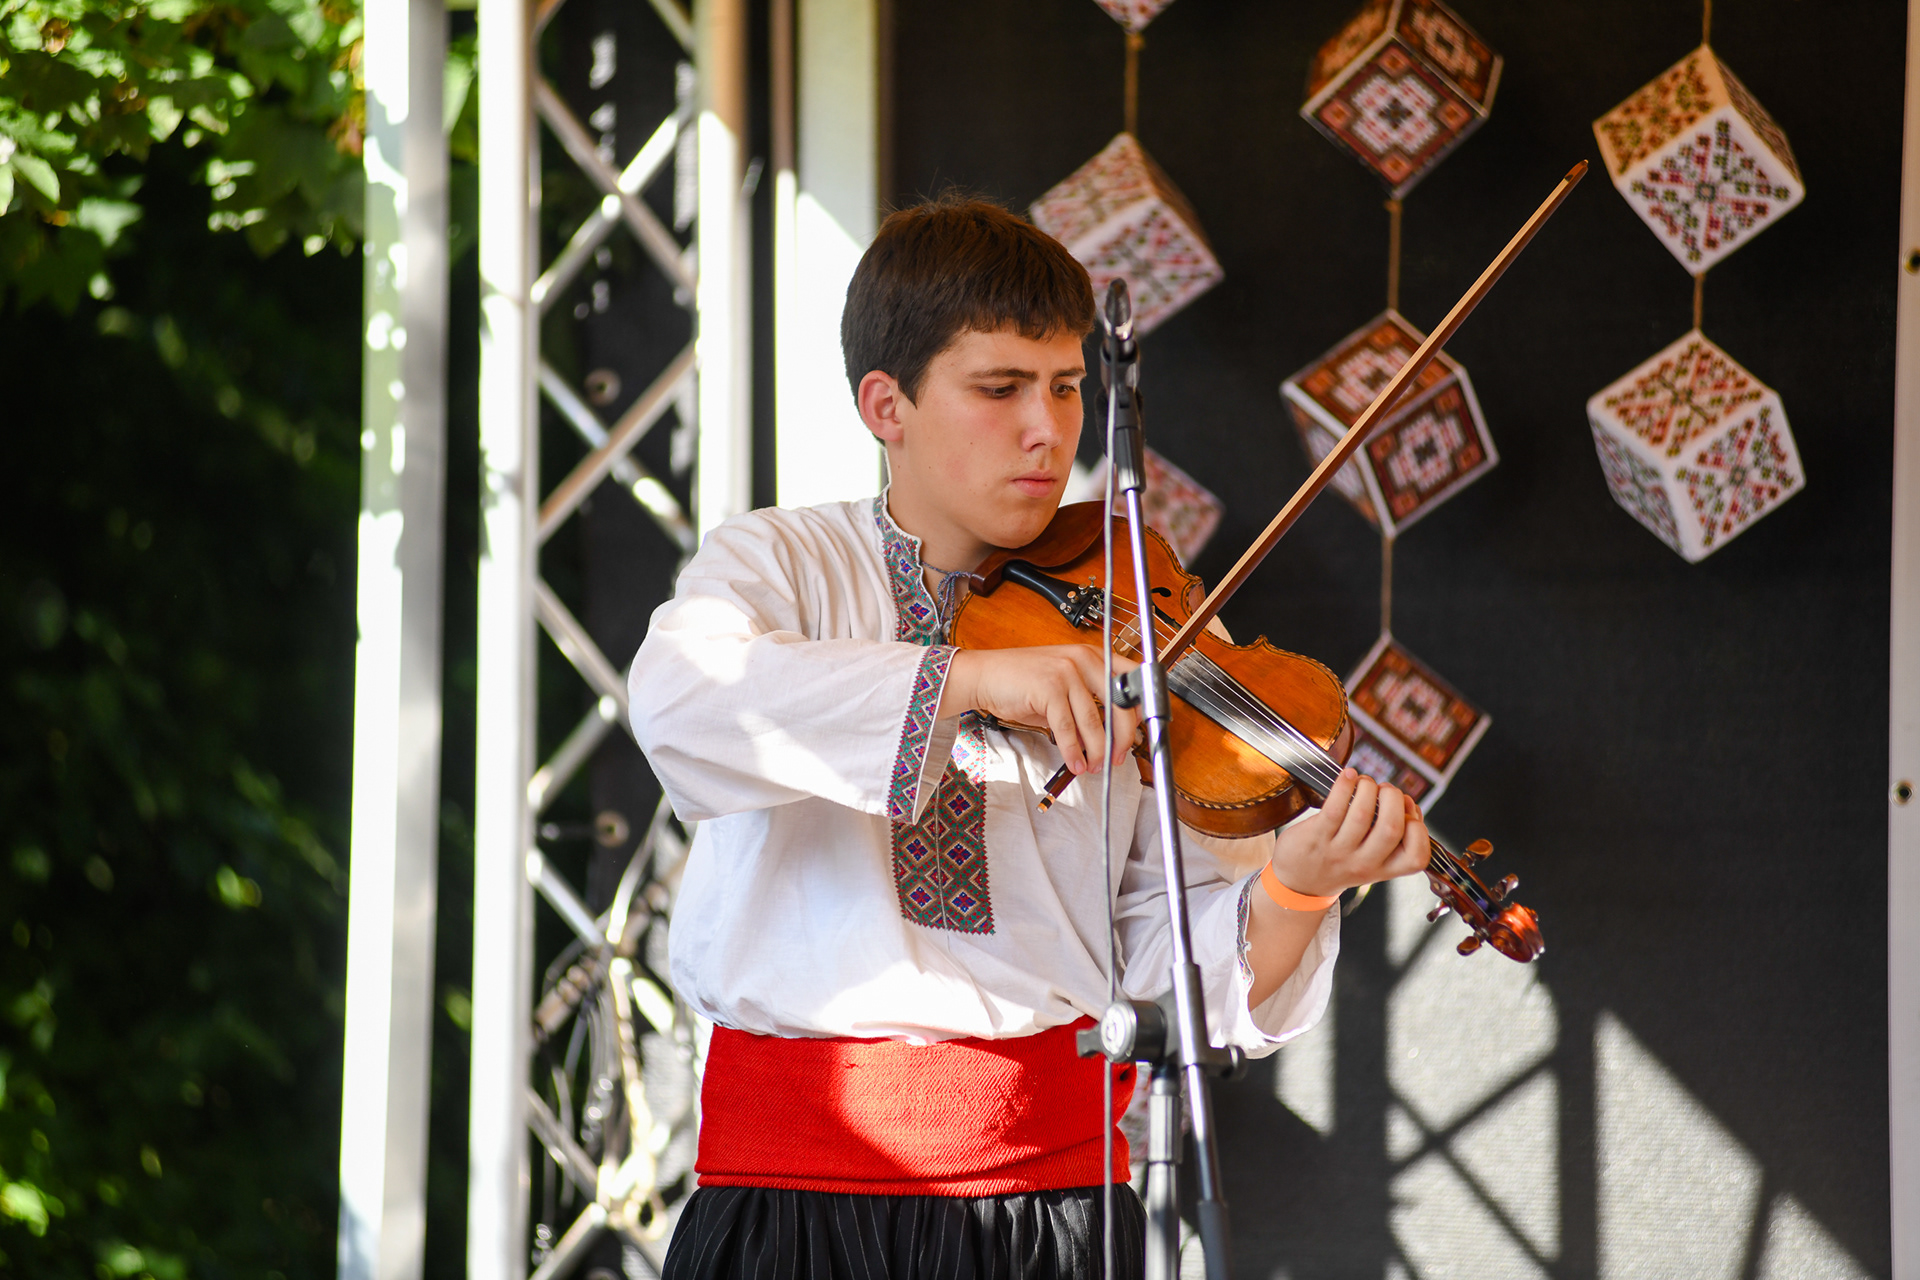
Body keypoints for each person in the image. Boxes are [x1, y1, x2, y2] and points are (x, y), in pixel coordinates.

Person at [628, 194, 1429, 1280]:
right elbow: (684, 703)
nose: (1049, 429)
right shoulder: (782, 565)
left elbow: (1157, 951)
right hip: (792, 1206)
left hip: (1050, 1211)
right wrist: (967, 676)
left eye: (1065, 385)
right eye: (999, 388)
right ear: (886, 405)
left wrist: (1294, 887)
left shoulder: (1136, 614)